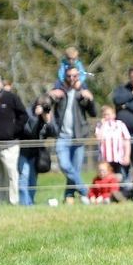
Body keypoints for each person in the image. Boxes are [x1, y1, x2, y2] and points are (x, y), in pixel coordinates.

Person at [49, 65, 96, 204]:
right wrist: (51, 94)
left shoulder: (82, 92)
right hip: (62, 136)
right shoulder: (60, 91)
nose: (71, 78)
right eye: (69, 76)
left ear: (78, 76)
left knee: (75, 169)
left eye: (74, 76)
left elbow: (93, 113)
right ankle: (85, 192)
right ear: (65, 76)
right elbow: (46, 103)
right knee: (65, 166)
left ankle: (69, 197)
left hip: (78, 136)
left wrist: (90, 99)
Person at [0, 71, 28, 205]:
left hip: (10, 144)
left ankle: (13, 201)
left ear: (0, 82)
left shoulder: (11, 97)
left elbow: (23, 116)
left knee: (11, 173)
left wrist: (13, 131)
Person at [18, 94, 57, 206]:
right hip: (24, 150)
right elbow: (28, 131)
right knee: (23, 176)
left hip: (36, 152)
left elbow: (55, 133)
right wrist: (35, 116)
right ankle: (24, 204)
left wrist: (48, 120)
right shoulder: (29, 112)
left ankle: (30, 202)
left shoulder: (47, 114)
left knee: (32, 179)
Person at [95, 105, 132, 183]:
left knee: (120, 177)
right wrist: (103, 125)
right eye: (105, 115)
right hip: (105, 158)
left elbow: (127, 140)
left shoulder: (120, 124)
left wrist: (127, 155)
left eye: (109, 114)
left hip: (118, 157)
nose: (107, 116)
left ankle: (122, 190)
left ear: (114, 115)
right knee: (106, 178)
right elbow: (98, 138)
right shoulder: (99, 125)